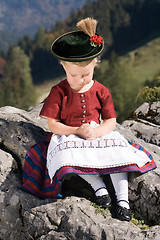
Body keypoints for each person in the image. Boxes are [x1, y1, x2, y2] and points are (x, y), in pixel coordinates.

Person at [22, 17, 157, 222]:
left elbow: (110, 121)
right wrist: (76, 131)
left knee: (117, 153)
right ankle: (99, 187)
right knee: (70, 154)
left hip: (96, 131)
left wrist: (98, 132)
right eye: (73, 75)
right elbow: (53, 125)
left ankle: (123, 201)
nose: (79, 80)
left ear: (96, 62)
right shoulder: (58, 91)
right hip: (70, 134)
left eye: (85, 74)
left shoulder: (101, 90)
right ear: (63, 66)